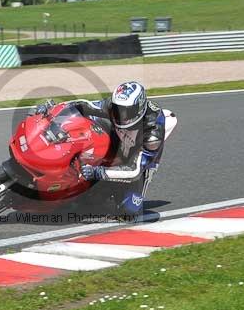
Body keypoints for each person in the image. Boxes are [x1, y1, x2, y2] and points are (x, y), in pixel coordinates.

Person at [31, 81, 173, 216]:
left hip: (136, 157)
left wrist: (99, 172)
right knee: (86, 127)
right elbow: (84, 105)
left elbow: (134, 170)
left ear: (139, 109)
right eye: (118, 109)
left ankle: (105, 192)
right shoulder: (112, 106)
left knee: (129, 211)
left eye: (126, 111)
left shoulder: (152, 133)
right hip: (117, 138)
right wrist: (52, 110)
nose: (121, 115)